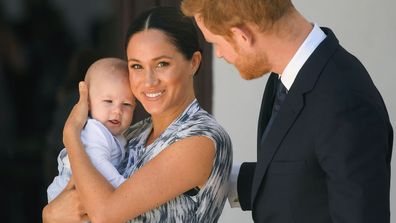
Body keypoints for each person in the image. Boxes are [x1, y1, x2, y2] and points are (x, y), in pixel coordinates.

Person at [181, 1, 393, 223]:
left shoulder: (345, 102)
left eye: (215, 43)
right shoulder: (289, 74)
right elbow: (305, 178)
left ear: (242, 36)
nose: (220, 54)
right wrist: (216, 176)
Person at [42, 6, 232, 223]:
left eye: (162, 64)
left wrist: (71, 136)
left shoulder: (201, 139)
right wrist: (49, 215)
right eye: (137, 66)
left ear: (194, 63)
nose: (149, 81)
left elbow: (104, 214)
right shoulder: (132, 132)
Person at [46, 57, 136, 202]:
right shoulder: (94, 131)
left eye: (126, 104)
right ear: (88, 102)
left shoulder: (117, 135)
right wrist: (124, 189)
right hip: (70, 197)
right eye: (108, 101)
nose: (117, 111)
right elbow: (99, 165)